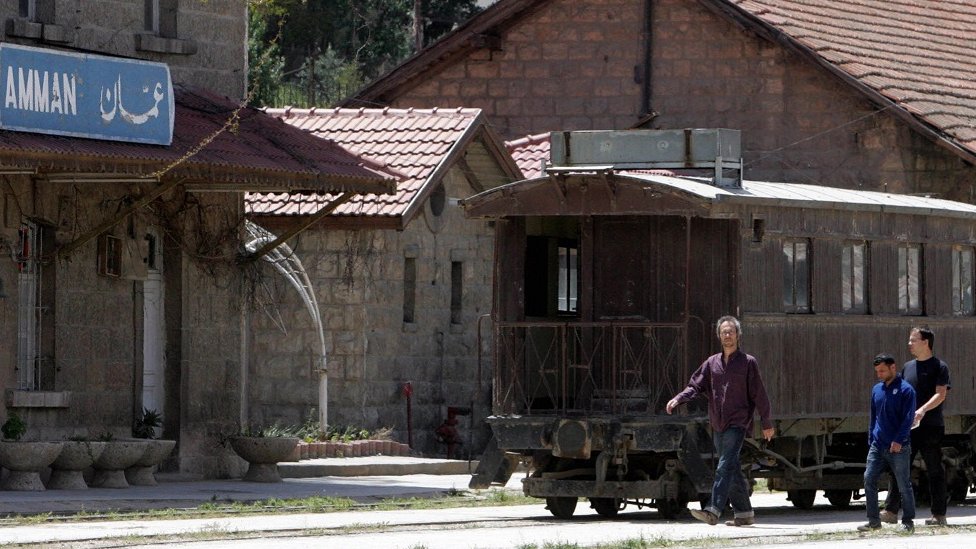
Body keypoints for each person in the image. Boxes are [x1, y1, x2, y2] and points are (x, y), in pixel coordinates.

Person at [666, 315, 774, 527]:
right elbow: (695, 386)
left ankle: (713, 509)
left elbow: (759, 394)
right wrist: (678, 398)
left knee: (723, 466)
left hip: (738, 422)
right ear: (719, 336)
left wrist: (767, 422)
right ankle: (744, 513)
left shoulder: (748, 363)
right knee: (731, 467)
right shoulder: (711, 363)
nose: (727, 335)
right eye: (724, 332)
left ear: (738, 335)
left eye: (731, 332)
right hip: (718, 423)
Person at [881, 327, 951, 526]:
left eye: (913, 340)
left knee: (934, 469)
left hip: (931, 426)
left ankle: (938, 515)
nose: (909, 344)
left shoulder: (940, 366)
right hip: (908, 428)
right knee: (898, 467)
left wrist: (922, 410)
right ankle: (891, 511)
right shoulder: (908, 367)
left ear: (925, 342)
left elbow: (940, 394)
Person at [859, 353, 916, 533]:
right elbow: (873, 416)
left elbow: (908, 418)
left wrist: (898, 440)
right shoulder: (877, 389)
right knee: (869, 478)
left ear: (893, 367)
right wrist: (871, 438)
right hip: (878, 445)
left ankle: (908, 521)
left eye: (882, 370)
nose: (879, 374)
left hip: (898, 446)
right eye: (877, 371)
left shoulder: (906, 390)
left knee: (903, 484)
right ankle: (873, 520)